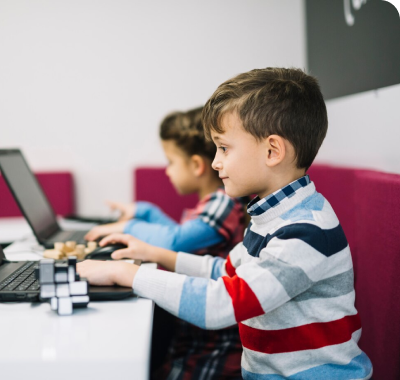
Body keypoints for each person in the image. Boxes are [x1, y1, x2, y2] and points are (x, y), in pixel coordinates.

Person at [78, 67, 373, 379]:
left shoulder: (305, 232)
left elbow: (220, 304)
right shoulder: (272, 215)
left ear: (272, 150)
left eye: (223, 148)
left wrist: (128, 274)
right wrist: (155, 254)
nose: (215, 162)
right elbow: (224, 271)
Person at [86, 107, 246, 379]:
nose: (167, 171)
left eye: (171, 162)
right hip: (196, 334)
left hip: (214, 345)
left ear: (196, 165)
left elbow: (176, 240)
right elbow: (177, 233)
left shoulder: (223, 203)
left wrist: (127, 226)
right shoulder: (211, 205)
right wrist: (144, 211)